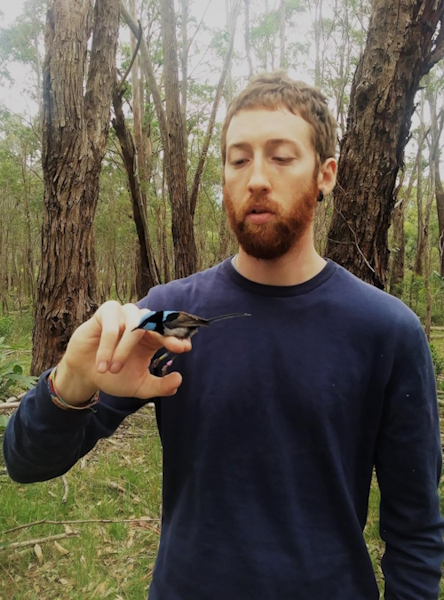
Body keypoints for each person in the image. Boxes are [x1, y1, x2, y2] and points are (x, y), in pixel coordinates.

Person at [4, 71, 444, 600]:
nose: (257, 177)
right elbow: (26, 463)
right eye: (239, 160)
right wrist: (71, 382)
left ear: (325, 174)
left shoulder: (382, 330)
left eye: (281, 157)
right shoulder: (177, 318)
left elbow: (416, 530)